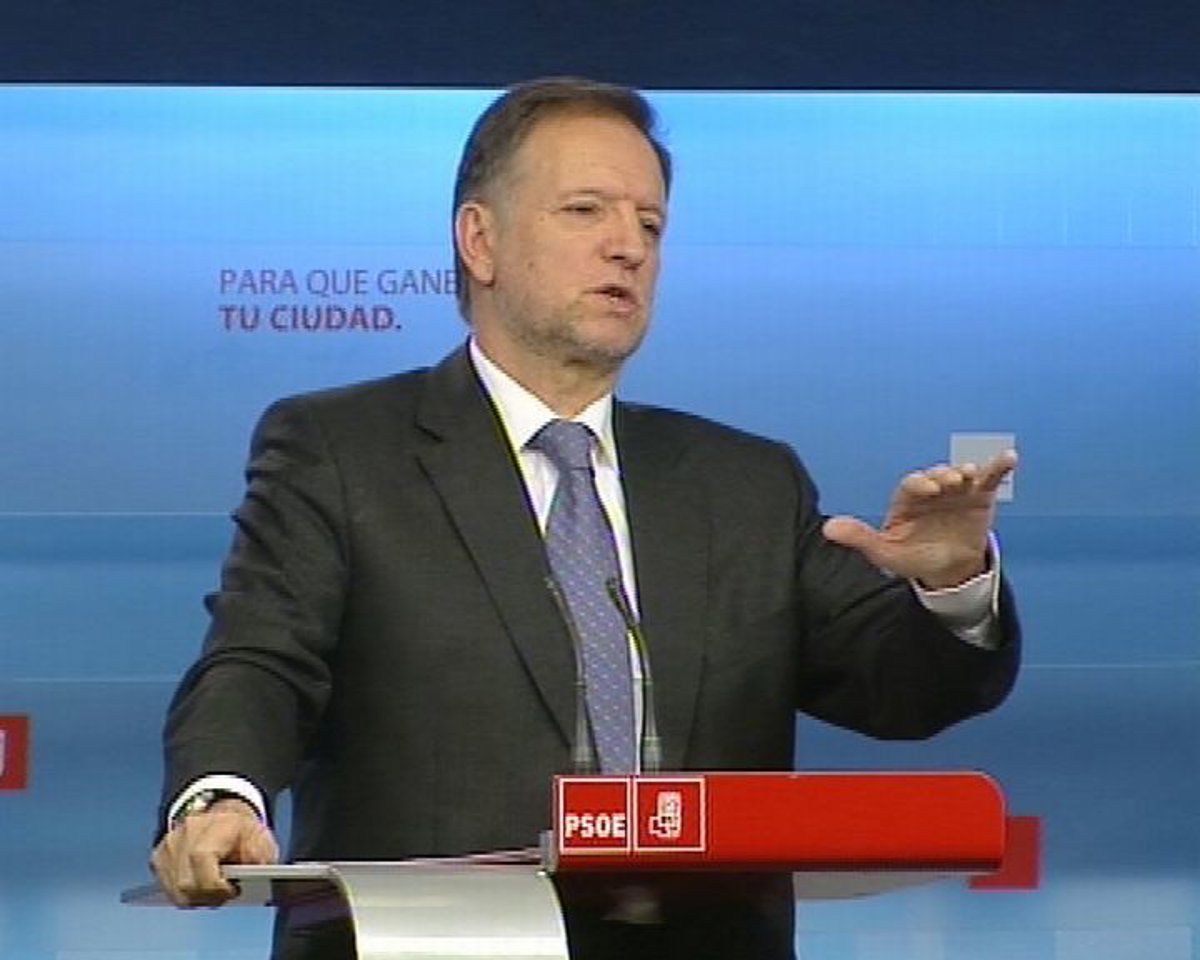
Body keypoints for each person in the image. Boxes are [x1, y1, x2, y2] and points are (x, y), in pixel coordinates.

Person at [150, 77, 1020, 960]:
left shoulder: (748, 484)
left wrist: (953, 583)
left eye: (650, 224)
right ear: (480, 241)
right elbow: (262, 659)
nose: (627, 247)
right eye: (585, 211)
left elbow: (904, 691)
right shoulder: (341, 451)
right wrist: (221, 795)